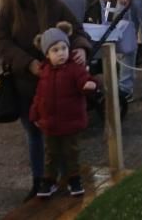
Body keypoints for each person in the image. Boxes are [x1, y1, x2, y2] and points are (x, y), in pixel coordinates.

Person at [0, 0, 91, 202]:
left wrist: (80, 49)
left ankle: (65, 176)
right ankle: (40, 180)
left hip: (58, 87)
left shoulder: (54, 6)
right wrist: (27, 62)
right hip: (26, 83)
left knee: (61, 135)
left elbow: (78, 32)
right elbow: (3, 40)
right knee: (34, 133)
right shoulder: (10, 8)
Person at [29, 22, 97, 198]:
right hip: (50, 124)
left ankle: (73, 179)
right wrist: (35, 113)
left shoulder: (74, 69)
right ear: (47, 54)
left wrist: (89, 85)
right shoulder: (44, 71)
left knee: (71, 152)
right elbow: (39, 95)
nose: (61, 53)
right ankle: (50, 180)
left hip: (70, 121)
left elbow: (84, 80)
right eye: (55, 50)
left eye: (63, 48)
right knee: (51, 153)